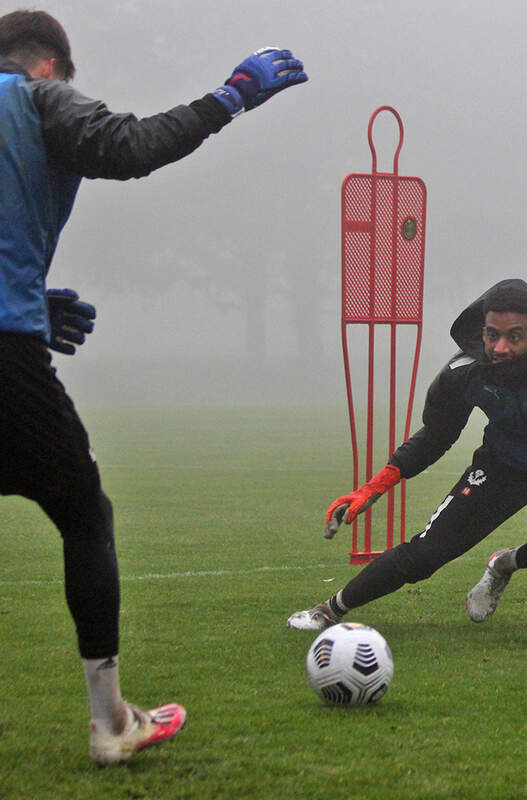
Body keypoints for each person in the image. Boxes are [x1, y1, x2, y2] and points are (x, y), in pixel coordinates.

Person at [0, 10, 307, 765]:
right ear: (49, 66)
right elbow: (127, 147)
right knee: (84, 514)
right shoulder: (34, 97)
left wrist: (33, 301)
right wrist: (231, 96)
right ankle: (112, 723)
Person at [288, 278, 527, 631]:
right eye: (492, 335)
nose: (500, 348)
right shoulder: (466, 372)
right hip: (503, 466)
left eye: (514, 336)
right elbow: (436, 437)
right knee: (426, 554)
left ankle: (504, 563)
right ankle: (330, 610)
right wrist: (373, 487)